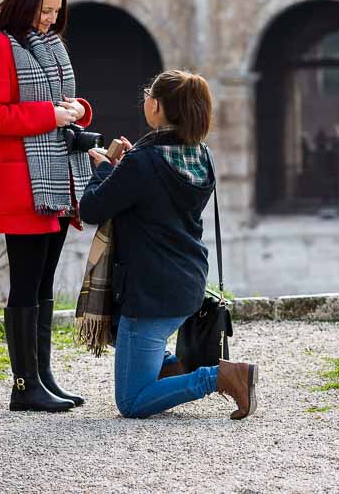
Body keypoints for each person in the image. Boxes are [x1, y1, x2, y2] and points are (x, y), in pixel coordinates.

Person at [79, 70, 259, 420]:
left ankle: (222, 377)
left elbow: (92, 209)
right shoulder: (201, 155)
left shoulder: (142, 164)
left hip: (151, 293)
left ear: (157, 106)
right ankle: (172, 373)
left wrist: (104, 170)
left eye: (148, 93)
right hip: (187, 282)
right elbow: (156, 186)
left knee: (131, 402)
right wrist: (128, 165)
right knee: (124, 336)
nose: (145, 98)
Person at [0, 0, 93, 413]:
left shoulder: (51, 45)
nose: (49, 20)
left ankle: (42, 378)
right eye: (44, 11)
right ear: (25, 3)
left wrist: (76, 109)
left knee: (45, 283)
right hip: (22, 182)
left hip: (57, 179)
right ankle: (23, 386)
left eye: (55, 12)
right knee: (26, 283)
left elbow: (64, 104)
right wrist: (51, 116)